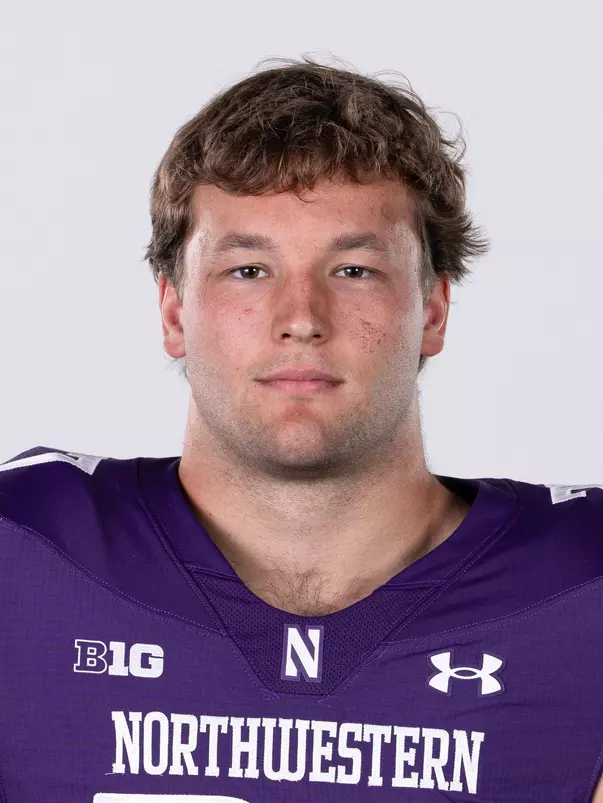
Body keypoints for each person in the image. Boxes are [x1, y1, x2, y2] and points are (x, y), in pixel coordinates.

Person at [0, 57, 601, 803]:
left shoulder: (582, 588)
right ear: (174, 311)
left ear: (434, 309)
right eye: (248, 269)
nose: (300, 320)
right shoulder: (24, 553)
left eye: (353, 270)